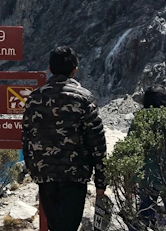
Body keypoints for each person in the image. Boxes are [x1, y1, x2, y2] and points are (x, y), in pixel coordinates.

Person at [22, 46, 107, 231]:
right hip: (74, 177)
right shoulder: (84, 99)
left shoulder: (34, 99)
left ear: (50, 69)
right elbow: (97, 143)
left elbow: (27, 138)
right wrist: (101, 181)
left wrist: (33, 171)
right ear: (75, 70)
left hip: (45, 176)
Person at [129, 86, 166, 230]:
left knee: (144, 213)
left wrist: (132, 178)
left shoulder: (139, 119)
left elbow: (131, 148)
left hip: (146, 177)